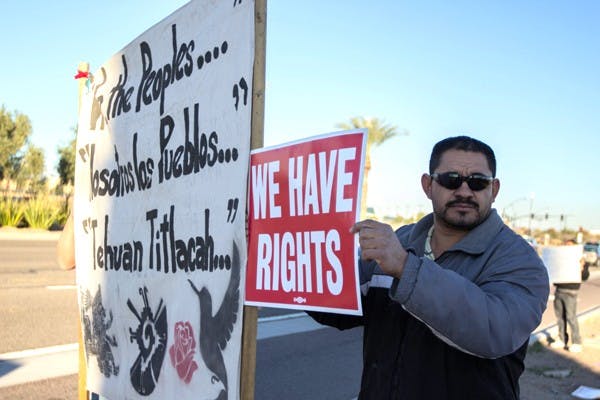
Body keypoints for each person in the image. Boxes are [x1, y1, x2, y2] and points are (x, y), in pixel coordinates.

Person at [308, 135, 549, 400]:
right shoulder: (400, 240)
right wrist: (287, 256)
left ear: (494, 189)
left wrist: (405, 267)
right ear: (428, 185)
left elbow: (494, 331)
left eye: (478, 182)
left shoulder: (519, 260)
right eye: (451, 179)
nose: (465, 191)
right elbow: (337, 309)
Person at [550, 240, 587, 353]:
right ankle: (562, 339)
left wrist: (582, 268)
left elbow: (585, 277)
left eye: (569, 246)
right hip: (559, 290)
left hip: (571, 292)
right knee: (560, 317)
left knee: (571, 317)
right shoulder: (561, 260)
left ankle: (576, 342)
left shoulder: (580, 260)